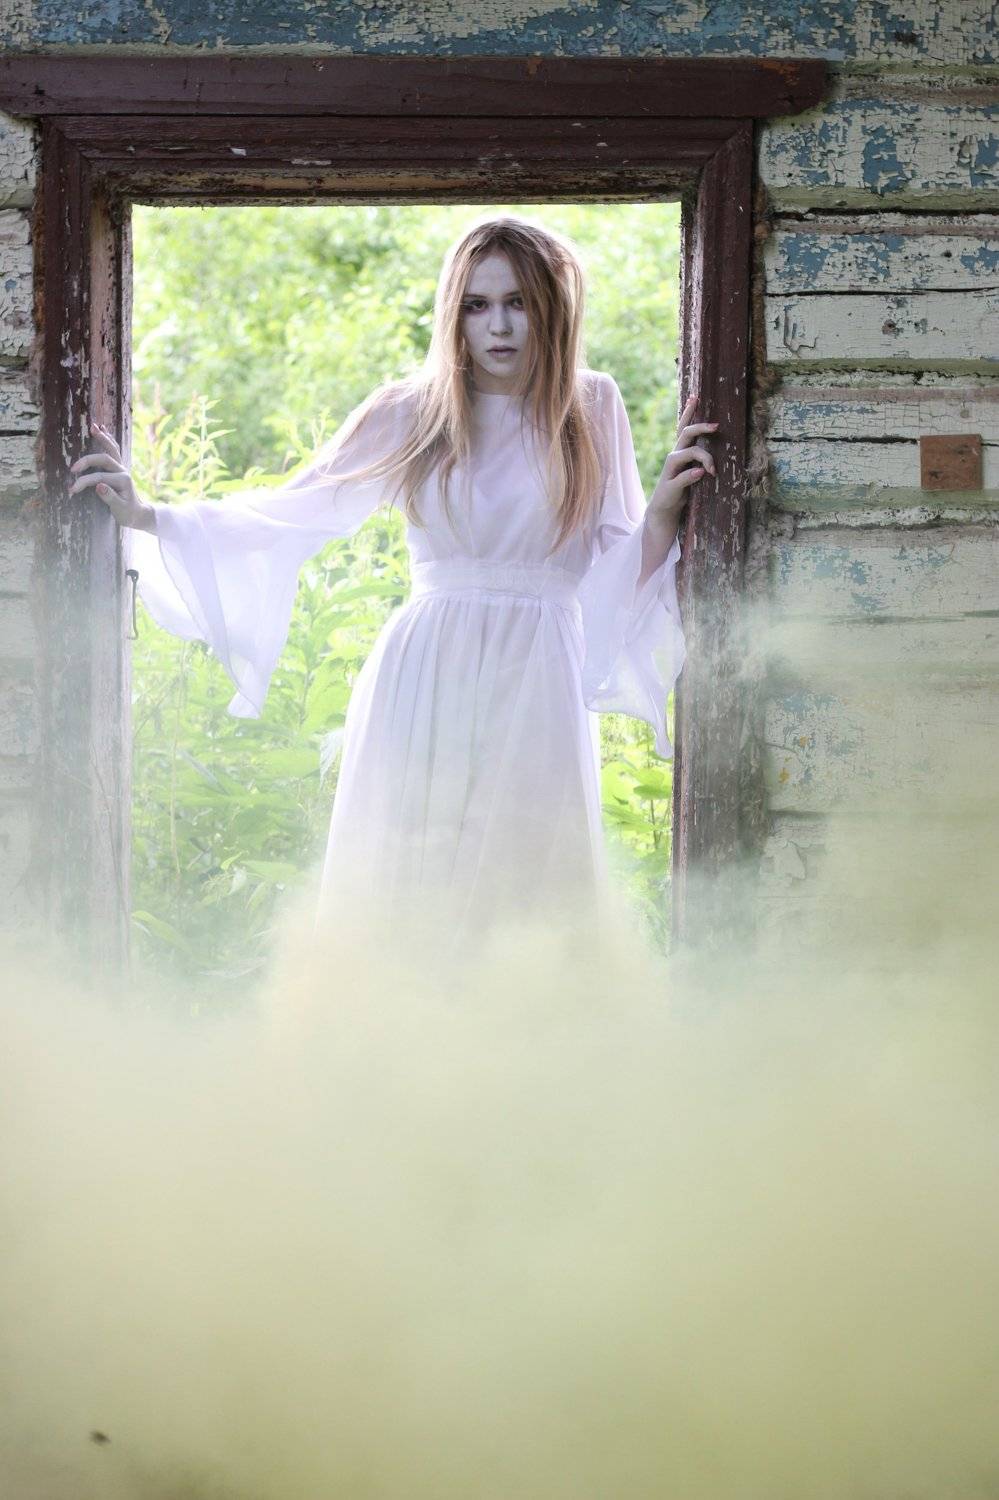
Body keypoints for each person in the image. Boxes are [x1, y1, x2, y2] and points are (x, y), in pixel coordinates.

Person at [69, 215, 718, 956]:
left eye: (519, 303)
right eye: (477, 305)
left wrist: (662, 513)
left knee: (529, 886)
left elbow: (617, 567)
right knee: (412, 882)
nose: (499, 326)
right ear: (453, 314)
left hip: (542, 670)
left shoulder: (589, 405)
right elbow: (294, 510)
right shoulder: (412, 409)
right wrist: (150, 516)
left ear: (550, 309)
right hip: (428, 665)